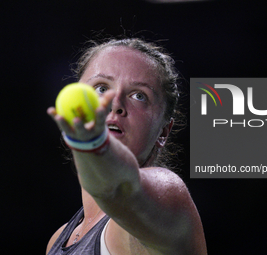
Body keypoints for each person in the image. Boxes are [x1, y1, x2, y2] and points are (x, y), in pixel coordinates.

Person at [46, 38, 207, 255]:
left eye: (139, 96)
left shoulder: (169, 198)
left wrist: (93, 144)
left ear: (164, 131)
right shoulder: (58, 239)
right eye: (101, 87)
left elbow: (119, 188)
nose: (116, 103)